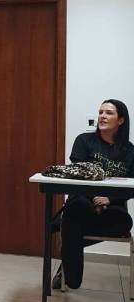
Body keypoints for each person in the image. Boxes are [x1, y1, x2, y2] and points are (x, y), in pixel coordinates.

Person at [53, 99, 134, 290]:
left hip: (112, 206)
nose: (102, 116)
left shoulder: (130, 151)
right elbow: (78, 175)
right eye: (100, 112)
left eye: (109, 113)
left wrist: (109, 199)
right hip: (82, 201)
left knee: (124, 222)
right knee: (75, 209)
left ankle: (67, 249)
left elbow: (131, 186)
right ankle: (71, 277)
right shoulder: (84, 140)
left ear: (121, 120)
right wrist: (94, 200)